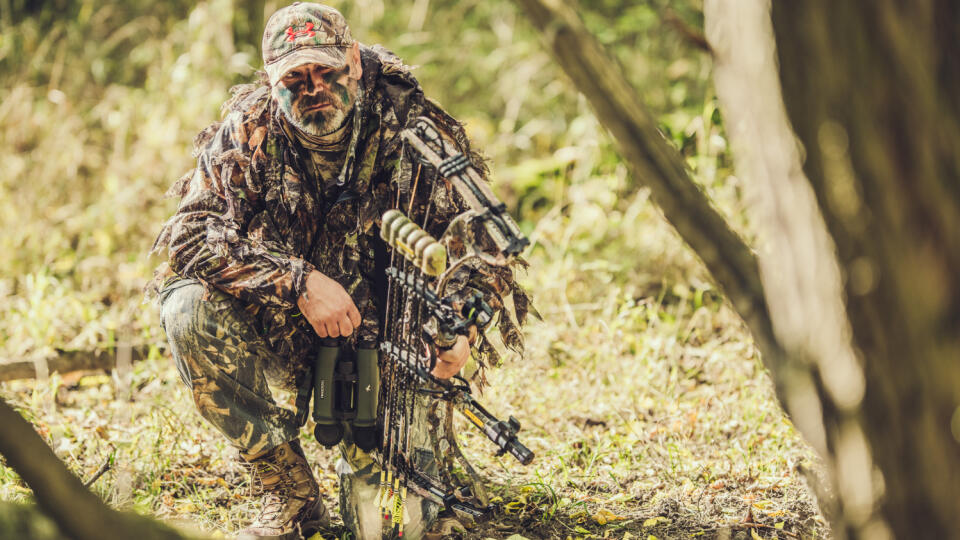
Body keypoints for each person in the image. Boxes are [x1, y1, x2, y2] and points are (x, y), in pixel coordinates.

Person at [149, 3, 529, 539]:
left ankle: (411, 461)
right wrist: (298, 280)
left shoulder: (414, 125)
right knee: (186, 307)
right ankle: (290, 495)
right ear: (271, 80)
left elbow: (487, 242)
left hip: (396, 346)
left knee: (401, 522)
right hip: (290, 329)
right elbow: (190, 233)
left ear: (353, 58)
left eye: (327, 71)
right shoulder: (251, 125)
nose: (314, 88)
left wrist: (461, 326)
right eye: (295, 79)